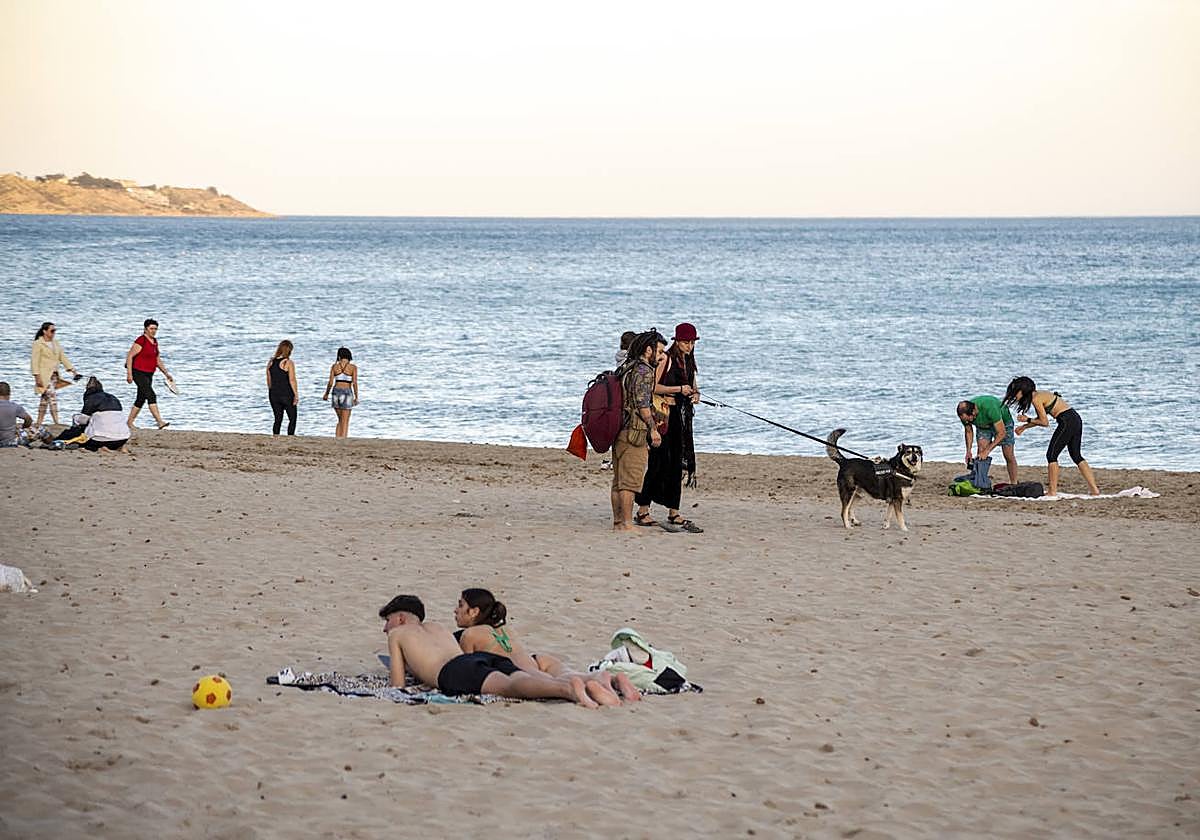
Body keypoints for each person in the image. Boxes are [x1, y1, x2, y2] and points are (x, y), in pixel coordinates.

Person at [378, 594, 612, 707]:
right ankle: (590, 683)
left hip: (454, 671)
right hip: (479, 659)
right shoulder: (437, 627)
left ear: (400, 618)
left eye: (387, 621)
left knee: (510, 687)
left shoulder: (398, 634)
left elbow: (397, 685)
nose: (385, 628)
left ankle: (567, 689)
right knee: (521, 677)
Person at [452, 588, 640, 701]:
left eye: (461, 605)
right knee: (566, 674)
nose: (455, 610)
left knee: (553, 683)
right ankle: (606, 679)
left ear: (474, 611)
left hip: (516, 667)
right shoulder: (504, 629)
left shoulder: (470, 634)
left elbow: (467, 669)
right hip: (534, 660)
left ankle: (586, 687)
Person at [635, 322, 702, 532]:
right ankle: (642, 510)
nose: (689, 346)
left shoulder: (689, 361)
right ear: (677, 341)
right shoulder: (666, 358)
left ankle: (674, 511)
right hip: (663, 416)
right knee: (658, 462)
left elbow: (694, 386)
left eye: (692, 342)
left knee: (676, 464)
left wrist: (695, 394)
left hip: (681, 418)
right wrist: (679, 389)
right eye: (686, 342)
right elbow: (653, 386)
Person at [1004, 376, 1100, 496]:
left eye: (1016, 392)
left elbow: (1045, 422)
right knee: (1076, 456)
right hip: (1075, 418)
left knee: (1051, 455)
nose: (1015, 396)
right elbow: (1041, 418)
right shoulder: (1039, 395)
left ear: (1023, 390)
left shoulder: (1036, 399)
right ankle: (1094, 490)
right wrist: (1024, 427)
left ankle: (1052, 491)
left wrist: (1027, 419)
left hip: (1067, 421)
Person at [610, 331, 664, 531]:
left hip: (619, 428)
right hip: (635, 431)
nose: (661, 357)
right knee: (630, 481)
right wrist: (653, 429)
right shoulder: (644, 371)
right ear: (648, 350)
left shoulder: (627, 366)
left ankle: (618, 522)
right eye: (659, 351)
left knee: (618, 480)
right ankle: (627, 523)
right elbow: (642, 405)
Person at [956, 394, 1017, 484]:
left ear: (974, 411)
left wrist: (987, 451)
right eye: (965, 420)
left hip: (1003, 423)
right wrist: (968, 451)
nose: (967, 422)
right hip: (983, 426)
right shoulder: (964, 415)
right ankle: (980, 481)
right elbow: (968, 431)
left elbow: (1002, 433)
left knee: (1008, 455)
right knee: (981, 452)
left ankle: (1014, 483)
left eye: (969, 419)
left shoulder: (990, 407)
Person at [125, 318, 173, 430]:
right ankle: (159, 421)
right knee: (151, 395)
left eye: (155, 329)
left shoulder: (154, 342)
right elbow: (130, 356)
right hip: (138, 372)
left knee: (141, 398)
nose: (153, 331)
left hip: (149, 373)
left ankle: (129, 422)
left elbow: (157, 360)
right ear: (145, 329)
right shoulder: (141, 340)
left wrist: (166, 373)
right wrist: (129, 374)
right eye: (151, 329)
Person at [30, 321, 81, 427]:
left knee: (45, 399)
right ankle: (56, 421)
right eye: (52, 331)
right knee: (52, 397)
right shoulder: (38, 344)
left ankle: (39, 422)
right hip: (43, 376)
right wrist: (37, 376)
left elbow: (62, 357)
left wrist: (73, 371)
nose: (54, 333)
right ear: (45, 331)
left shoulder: (55, 343)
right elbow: (34, 361)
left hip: (54, 375)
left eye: (55, 331)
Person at [322, 347, 358, 438]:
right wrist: (356, 397)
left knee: (340, 419)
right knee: (345, 420)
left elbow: (330, 382)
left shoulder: (334, 367)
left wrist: (326, 394)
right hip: (347, 392)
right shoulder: (353, 367)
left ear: (339, 356)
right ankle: (343, 438)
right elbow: (354, 383)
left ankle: (337, 437)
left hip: (336, 392)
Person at [266, 340, 299, 436]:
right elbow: (292, 380)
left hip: (274, 394)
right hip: (287, 394)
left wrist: (271, 391)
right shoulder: (288, 362)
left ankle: (276, 436)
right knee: (292, 418)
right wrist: (296, 394)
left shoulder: (271, 362)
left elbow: (269, 380)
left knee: (277, 418)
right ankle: (290, 437)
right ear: (289, 350)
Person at [0, 382, 34, 447]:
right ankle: (52, 443)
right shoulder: (15, 406)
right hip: (10, 441)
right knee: (40, 430)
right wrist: (23, 428)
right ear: (9, 393)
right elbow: (29, 420)